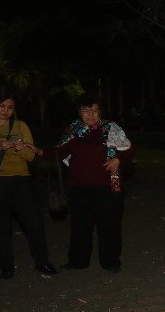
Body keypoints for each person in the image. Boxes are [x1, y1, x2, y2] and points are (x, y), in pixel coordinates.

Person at [0, 88, 56, 279]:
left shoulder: (20, 126)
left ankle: (42, 262)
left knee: (34, 224)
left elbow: (30, 156)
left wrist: (20, 148)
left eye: (10, 107)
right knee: (0, 227)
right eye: (1, 106)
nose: (5, 110)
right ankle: (6, 267)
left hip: (21, 180)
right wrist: (0, 145)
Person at [55, 96, 133, 273]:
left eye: (94, 110)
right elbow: (58, 152)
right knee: (79, 226)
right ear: (79, 112)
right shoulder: (73, 130)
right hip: (78, 187)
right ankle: (78, 261)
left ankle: (111, 261)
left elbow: (129, 151)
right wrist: (36, 151)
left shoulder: (110, 128)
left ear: (100, 112)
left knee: (109, 225)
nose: (90, 114)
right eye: (86, 110)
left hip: (107, 186)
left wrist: (118, 160)